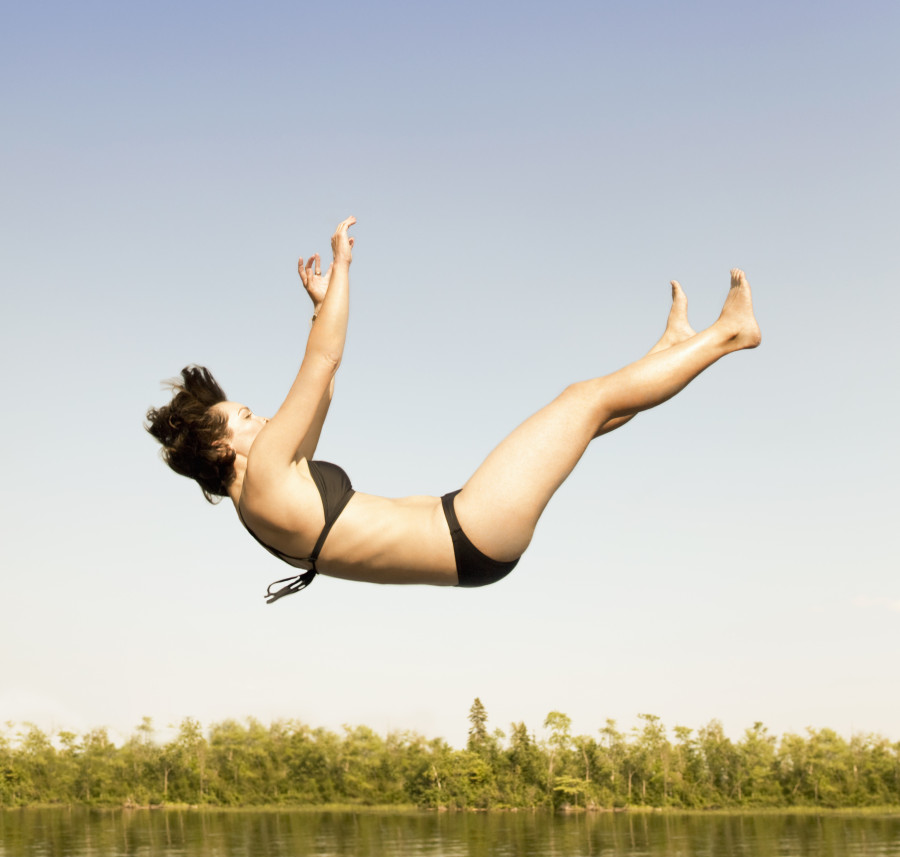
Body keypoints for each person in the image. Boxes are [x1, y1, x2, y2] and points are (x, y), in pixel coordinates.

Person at [146, 216, 760, 601]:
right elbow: (322, 363)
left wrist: (317, 308)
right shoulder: (268, 478)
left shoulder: (261, 503)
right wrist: (342, 270)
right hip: (469, 529)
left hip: (468, 538)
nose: (259, 418)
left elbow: (319, 394)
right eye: (243, 418)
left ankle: (671, 355)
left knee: (588, 420)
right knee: (583, 399)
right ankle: (729, 335)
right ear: (223, 448)